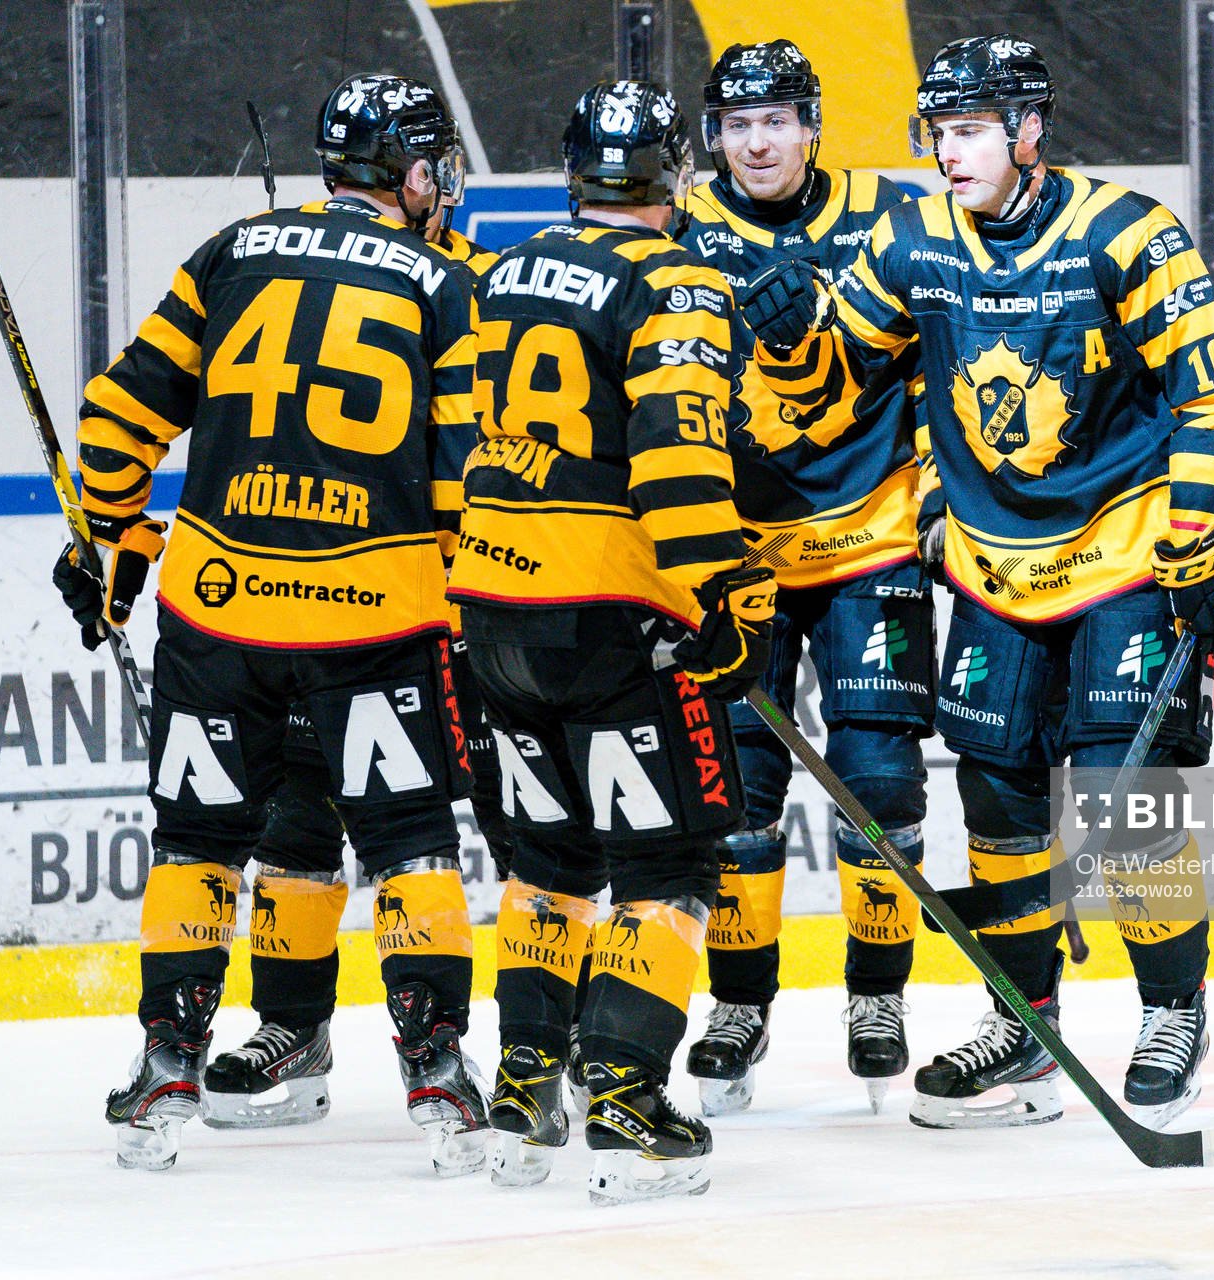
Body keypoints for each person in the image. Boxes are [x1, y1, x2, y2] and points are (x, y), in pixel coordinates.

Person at [737, 35, 1214, 1130]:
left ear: (1029, 131)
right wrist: (790, 347)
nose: (948, 153)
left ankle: (1174, 1012)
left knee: (1123, 797)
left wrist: (1199, 541)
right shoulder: (912, 239)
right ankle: (1025, 1025)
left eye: (971, 130)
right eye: (938, 132)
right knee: (999, 803)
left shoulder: (1130, 234)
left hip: (1123, 554)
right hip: (991, 569)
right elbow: (837, 387)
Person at [52, 72, 492, 1174]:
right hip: (375, 612)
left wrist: (110, 536)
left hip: (219, 613)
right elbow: (464, 479)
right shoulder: (447, 285)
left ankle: (168, 1057)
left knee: (197, 840)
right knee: (408, 840)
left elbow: (121, 411)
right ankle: (436, 1066)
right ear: (416, 174)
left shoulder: (230, 251)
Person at [447, 80, 773, 1203]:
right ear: (677, 174)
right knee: (666, 864)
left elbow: (459, 433)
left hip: (491, 606)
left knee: (549, 860)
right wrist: (726, 596)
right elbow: (679, 465)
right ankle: (628, 1102)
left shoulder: (503, 270)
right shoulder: (678, 282)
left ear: (574, 172)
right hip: (612, 619)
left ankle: (525, 1087)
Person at [198, 164, 519, 1132]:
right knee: (297, 816)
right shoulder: (330, 265)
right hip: (325, 599)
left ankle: (550, 1036)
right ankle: (292, 1027)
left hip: (446, 604)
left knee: (508, 825)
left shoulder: (476, 283)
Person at [674, 39, 934, 1117]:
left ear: (813, 125)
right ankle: (740, 1004)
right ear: (712, 137)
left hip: (872, 536)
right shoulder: (679, 227)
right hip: (737, 555)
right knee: (736, 796)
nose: (757, 142)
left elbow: (943, 357)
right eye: (737, 125)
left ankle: (877, 994)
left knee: (880, 778)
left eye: (776, 120)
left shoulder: (893, 216)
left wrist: (941, 491)